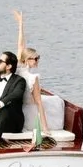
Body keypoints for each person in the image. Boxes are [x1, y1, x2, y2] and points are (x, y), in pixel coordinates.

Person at [13, 9, 53, 147]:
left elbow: (20, 45)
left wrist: (21, 24)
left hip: (19, 108)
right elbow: (39, 103)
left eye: (38, 58)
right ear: (27, 60)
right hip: (28, 114)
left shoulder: (17, 68)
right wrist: (45, 128)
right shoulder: (32, 78)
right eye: (35, 59)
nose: (37, 61)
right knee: (55, 102)